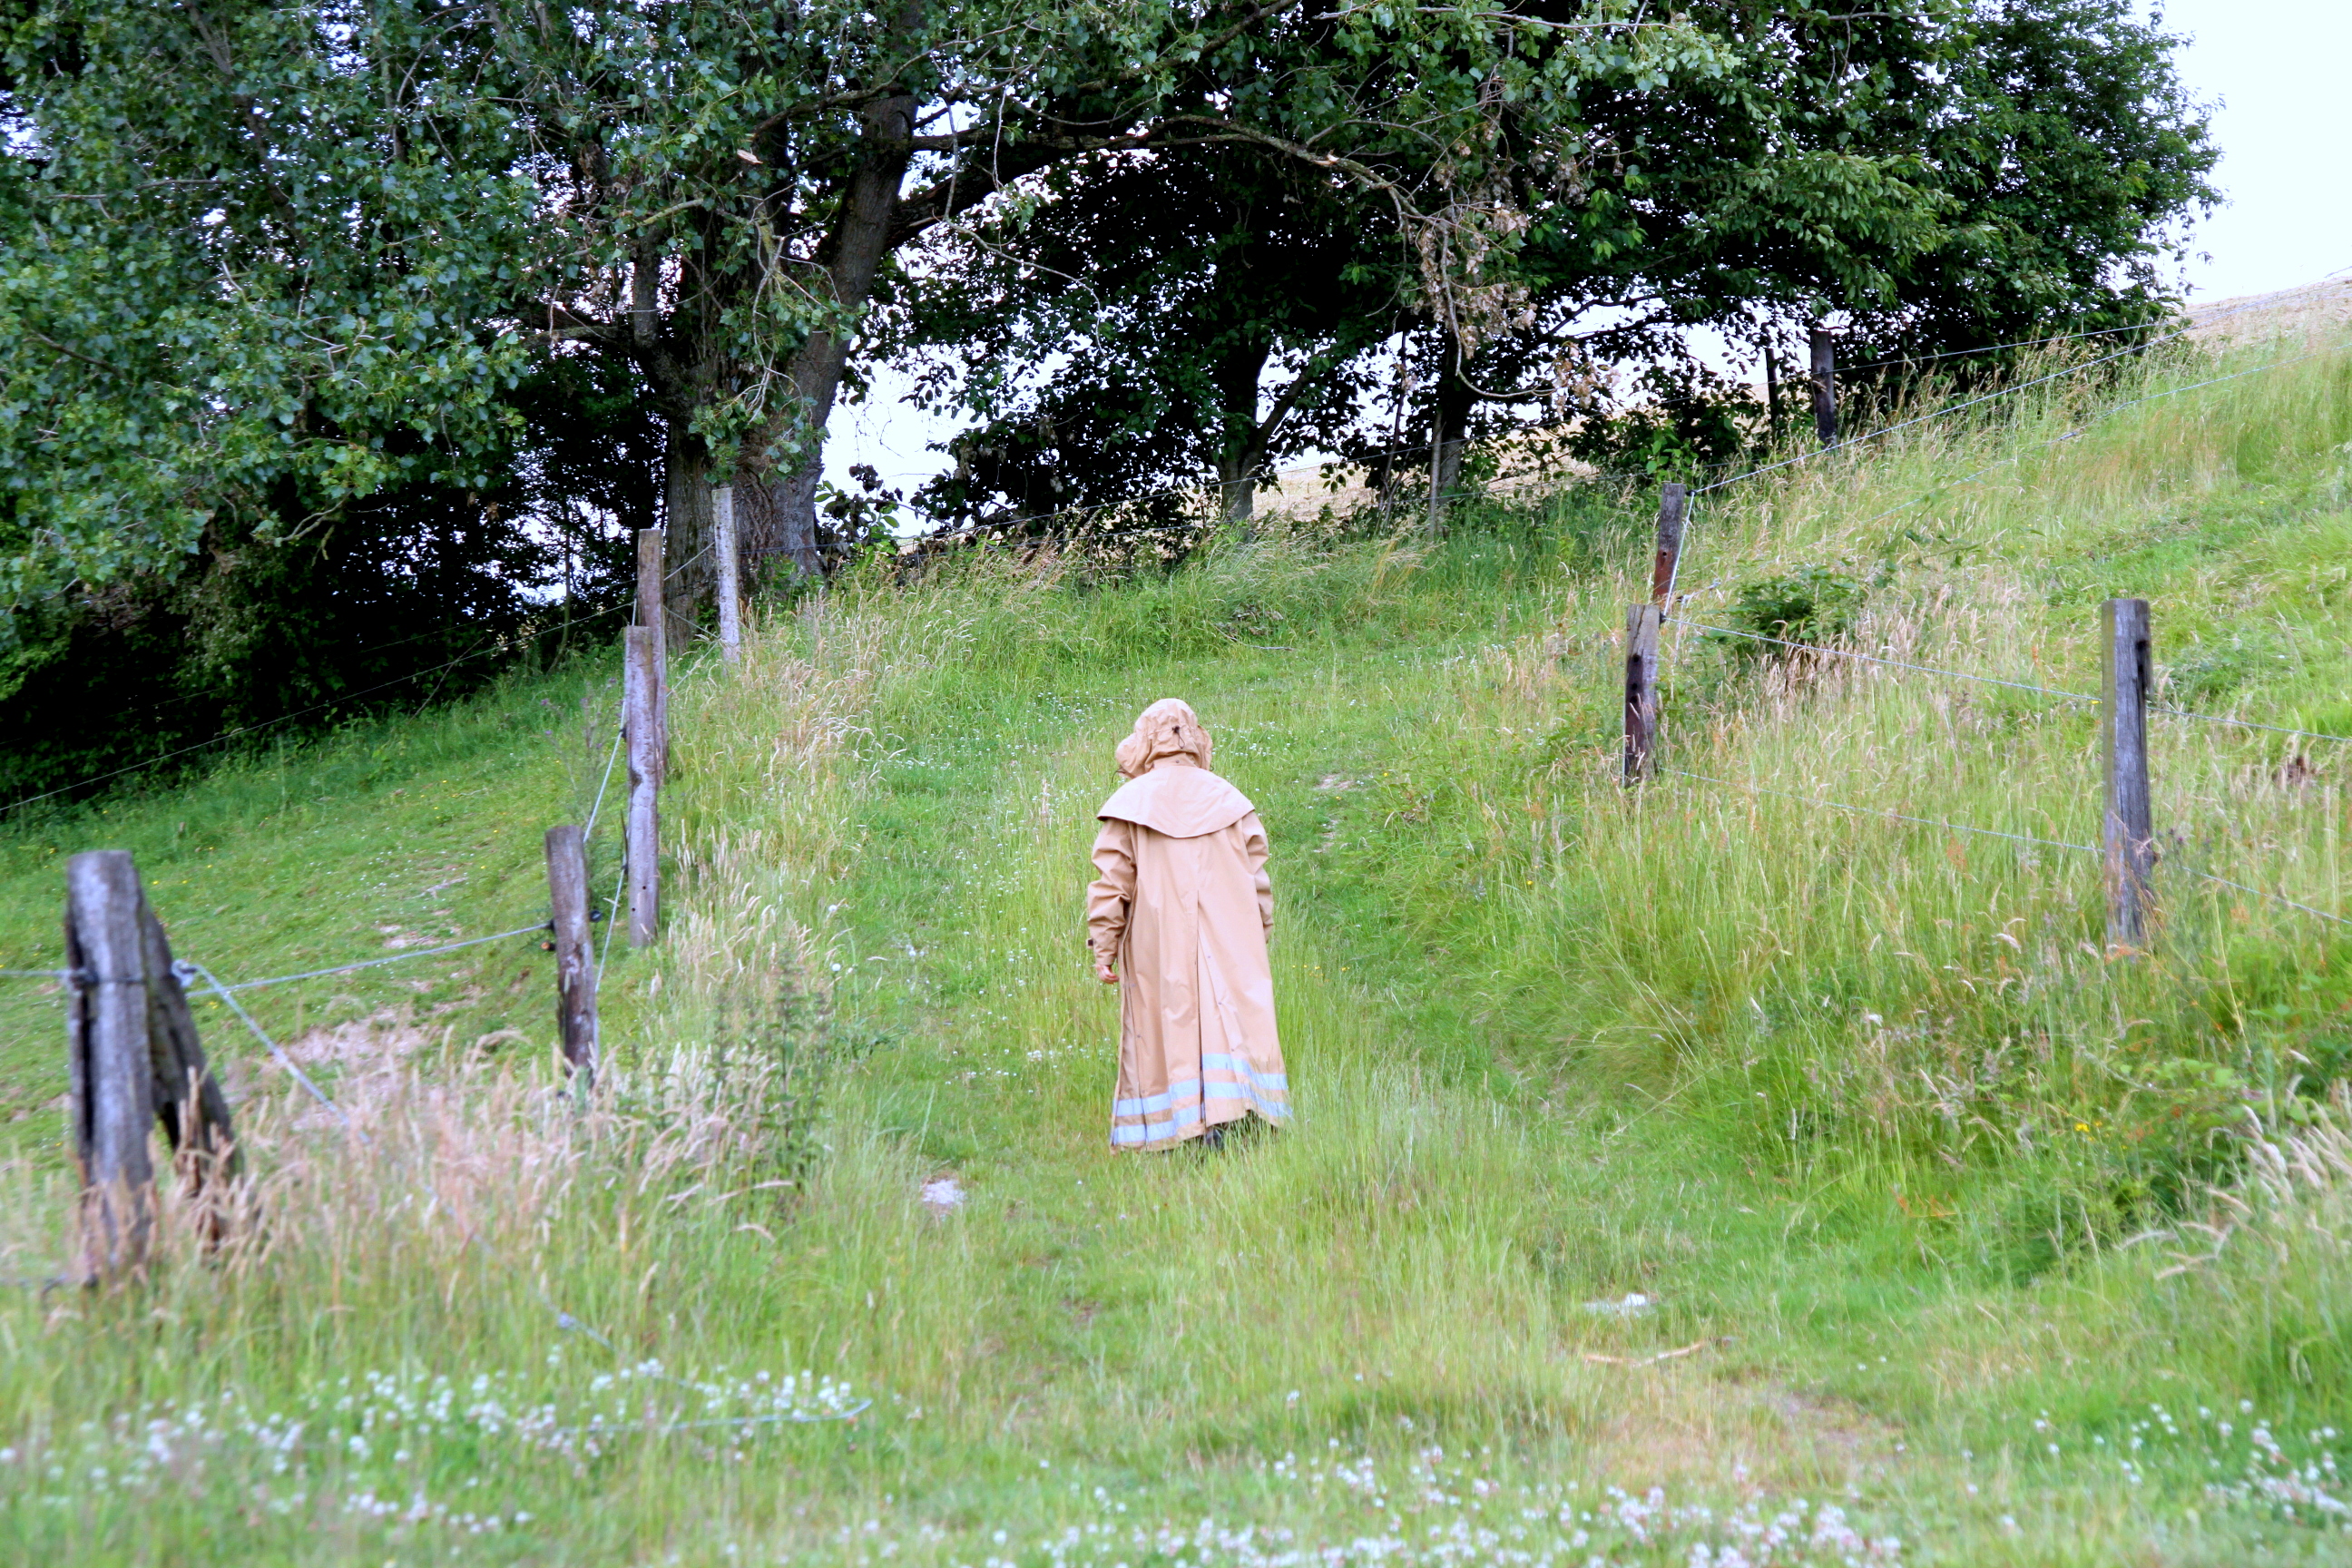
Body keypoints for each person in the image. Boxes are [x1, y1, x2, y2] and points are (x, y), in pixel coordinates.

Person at [1085, 699, 1289, 1152]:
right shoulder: (1228, 799)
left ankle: (1181, 1128)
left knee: (1168, 1020)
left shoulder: (1131, 804)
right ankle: (1240, 1117)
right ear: (1195, 738)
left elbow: (1111, 883)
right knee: (1233, 1016)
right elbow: (1258, 878)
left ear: (1144, 743)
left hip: (1159, 937)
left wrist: (1105, 945)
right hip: (1233, 935)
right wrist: (1259, 932)